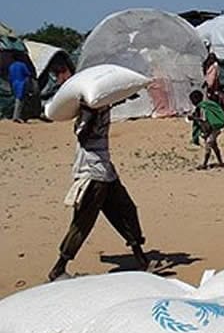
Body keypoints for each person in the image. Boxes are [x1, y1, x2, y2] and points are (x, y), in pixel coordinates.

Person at [49, 104, 152, 281]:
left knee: (126, 211)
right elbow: (81, 135)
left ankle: (141, 260)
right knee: (83, 222)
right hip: (92, 174)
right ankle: (59, 268)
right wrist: (92, 115)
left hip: (106, 171)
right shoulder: (88, 111)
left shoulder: (104, 106)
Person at [188, 90, 224, 170]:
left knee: (208, 144)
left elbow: (203, 119)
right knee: (214, 145)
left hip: (213, 129)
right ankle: (220, 162)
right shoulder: (200, 107)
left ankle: (204, 164)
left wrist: (193, 118)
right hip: (209, 129)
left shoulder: (202, 108)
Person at [202, 53, 224, 121]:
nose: (211, 60)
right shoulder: (208, 66)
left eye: (212, 58)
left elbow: (214, 78)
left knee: (219, 102)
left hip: (214, 87)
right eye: (210, 58)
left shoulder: (215, 66)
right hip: (210, 86)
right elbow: (208, 77)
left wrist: (213, 88)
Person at [9, 52, 32, 123]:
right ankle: (17, 116)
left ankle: (17, 116)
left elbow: (10, 77)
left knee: (17, 99)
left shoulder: (11, 66)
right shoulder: (22, 65)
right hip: (22, 83)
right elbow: (28, 73)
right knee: (21, 100)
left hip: (14, 83)